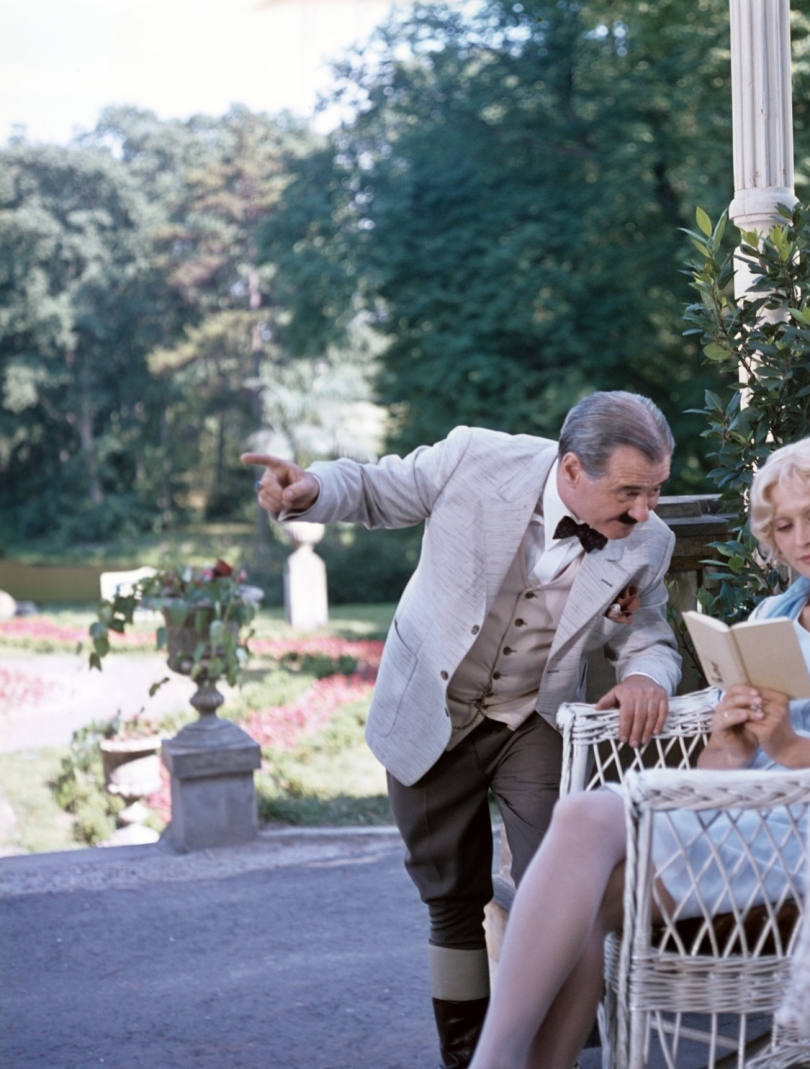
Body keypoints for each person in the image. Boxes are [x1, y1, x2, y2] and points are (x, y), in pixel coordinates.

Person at [469, 433, 810, 1069]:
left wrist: (789, 746)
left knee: (584, 820)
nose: (802, 538)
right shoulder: (771, 614)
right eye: (783, 526)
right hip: (750, 818)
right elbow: (721, 770)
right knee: (584, 894)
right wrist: (729, 740)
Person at [241, 391, 682, 1069]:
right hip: (430, 707)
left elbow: (648, 633)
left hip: (534, 717)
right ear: (571, 469)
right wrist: (311, 490)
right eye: (629, 492)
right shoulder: (475, 459)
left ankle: (563, 1055)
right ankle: (467, 1057)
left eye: (655, 491)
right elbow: (376, 487)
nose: (645, 511)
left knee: (564, 890)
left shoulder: (648, 541)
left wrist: (647, 676)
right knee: (451, 898)